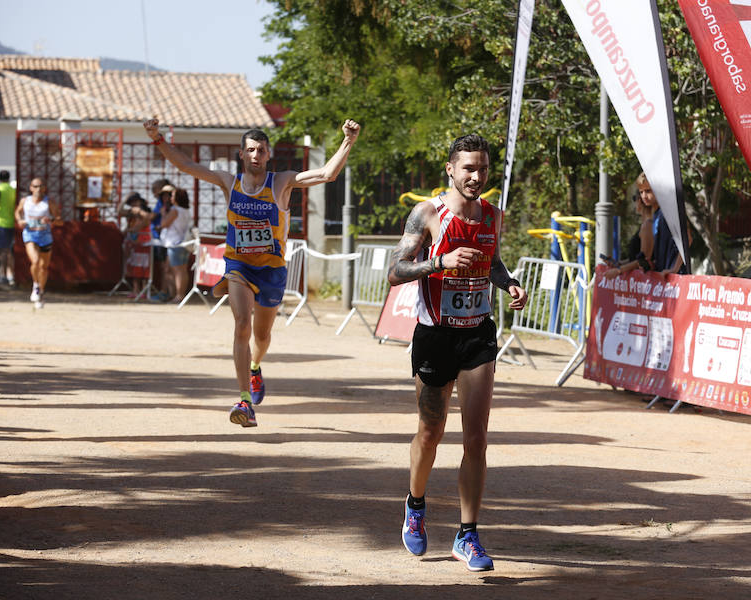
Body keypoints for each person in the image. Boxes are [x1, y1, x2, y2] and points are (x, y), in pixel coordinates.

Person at [143, 116, 360, 427]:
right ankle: (244, 399)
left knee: (262, 334)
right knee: (242, 325)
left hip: (272, 269)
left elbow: (327, 173)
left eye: (261, 150)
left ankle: (256, 366)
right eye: (251, 150)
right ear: (241, 154)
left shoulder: (282, 181)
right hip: (238, 266)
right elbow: (187, 167)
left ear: (268, 154)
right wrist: (157, 138)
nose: (256, 155)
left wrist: (347, 141)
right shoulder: (228, 181)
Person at [388, 134, 528, 572]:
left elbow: (494, 261)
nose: (476, 176)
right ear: (450, 168)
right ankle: (415, 505)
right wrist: (439, 262)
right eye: (468, 168)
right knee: (430, 432)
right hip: (435, 336)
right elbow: (394, 272)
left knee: (477, 437)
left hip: (477, 336)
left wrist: (509, 284)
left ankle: (467, 535)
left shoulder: (493, 215)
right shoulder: (428, 213)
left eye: (483, 169)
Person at [14, 178, 60, 308]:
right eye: (35, 186)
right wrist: (20, 220)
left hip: (45, 236)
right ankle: (35, 285)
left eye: (41, 186)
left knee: (44, 267)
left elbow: (59, 219)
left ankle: (41, 291)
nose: (38, 189)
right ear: (31, 188)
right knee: (35, 261)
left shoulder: (49, 202)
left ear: (44, 188)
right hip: (30, 235)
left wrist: (51, 220)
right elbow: (17, 212)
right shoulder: (25, 201)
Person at [605, 172, 656, 278]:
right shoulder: (646, 224)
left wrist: (618, 271)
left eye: (646, 192)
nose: (644, 196)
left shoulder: (648, 225)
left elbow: (643, 259)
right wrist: (619, 264)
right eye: (641, 192)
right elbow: (636, 258)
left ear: (639, 201)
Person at [158, 187, 193, 303]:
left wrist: (163, 214)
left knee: (178, 271)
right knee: (179, 269)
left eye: (172, 196)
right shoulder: (186, 211)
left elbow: (164, 224)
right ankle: (176, 294)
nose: (171, 198)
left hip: (174, 243)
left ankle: (179, 295)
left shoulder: (175, 210)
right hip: (183, 242)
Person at [118, 191, 153, 297]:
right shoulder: (131, 212)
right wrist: (125, 199)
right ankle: (135, 290)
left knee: (144, 268)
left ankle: (143, 290)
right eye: (131, 202)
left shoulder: (145, 212)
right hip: (134, 244)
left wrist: (139, 212)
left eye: (135, 202)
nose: (133, 204)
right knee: (135, 268)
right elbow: (119, 211)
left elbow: (148, 218)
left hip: (144, 243)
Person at [150, 179, 173, 301]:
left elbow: (160, 221)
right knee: (165, 267)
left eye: (155, 189)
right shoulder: (164, 205)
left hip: (166, 240)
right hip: (164, 239)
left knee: (167, 267)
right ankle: (168, 292)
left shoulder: (170, 208)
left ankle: (166, 291)